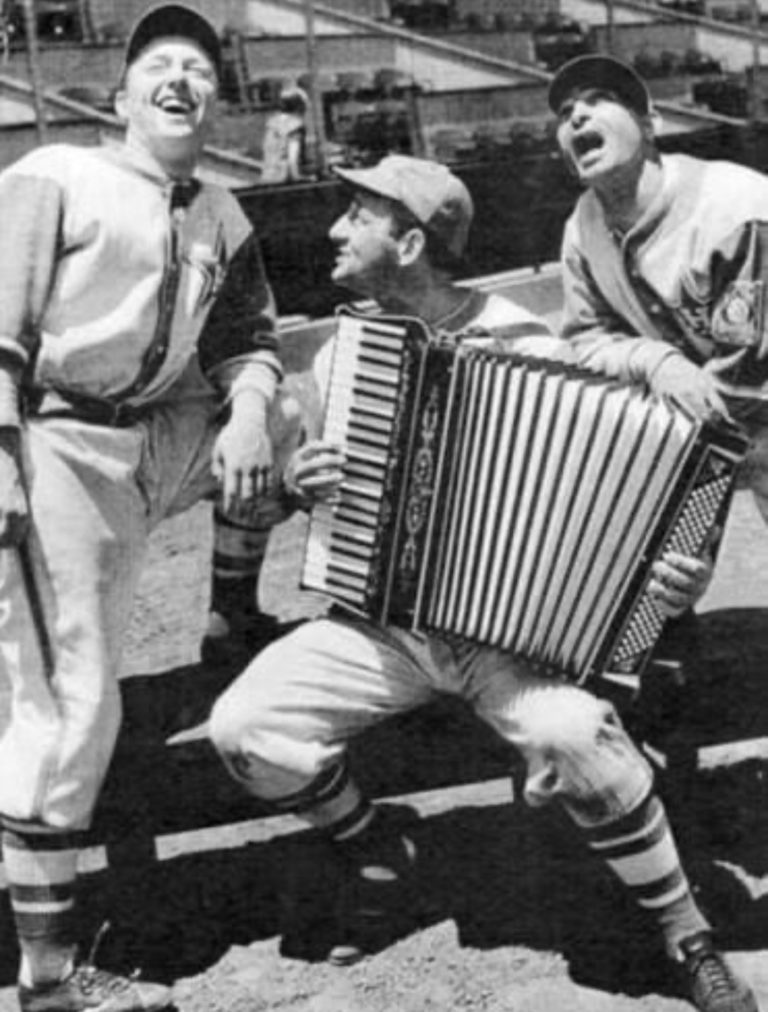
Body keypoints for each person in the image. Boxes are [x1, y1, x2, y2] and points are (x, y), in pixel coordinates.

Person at [208, 154, 757, 1012]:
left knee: (581, 741)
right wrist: (298, 483)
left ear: (412, 241)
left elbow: (621, 486)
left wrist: (671, 576)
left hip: (510, 638)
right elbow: (287, 497)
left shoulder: (524, 341)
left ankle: (686, 935)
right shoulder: (346, 352)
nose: (334, 231)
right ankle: (376, 843)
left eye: (359, 214)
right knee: (244, 729)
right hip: (381, 623)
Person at [0, 5, 295, 1010]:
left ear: (219, 100)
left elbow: (249, 338)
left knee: (298, 406)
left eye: (201, 69)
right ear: (120, 96)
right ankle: (45, 979)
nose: (181, 79)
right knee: (75, 694)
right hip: (50, 441)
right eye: (159, 65)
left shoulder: (221, 209)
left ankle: (232, 610)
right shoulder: (57, 176)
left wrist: (251, 411)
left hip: (148, 446)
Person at [549, 52, 768, 525]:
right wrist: (655, 360)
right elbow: (584, 340)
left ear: (650, 125)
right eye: (565, 113)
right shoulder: (581, 227)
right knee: (661, 583)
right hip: (716, 422)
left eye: (598, 100)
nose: (577, 116)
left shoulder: (735, 207)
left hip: (748, 403)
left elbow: (742, 383)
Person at [259, 85, 309, 185]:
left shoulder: (272, 124)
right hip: (283, 179)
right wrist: (298, 178)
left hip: (267, 178)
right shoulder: (295, 126)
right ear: (300, 107)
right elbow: (292, 158)